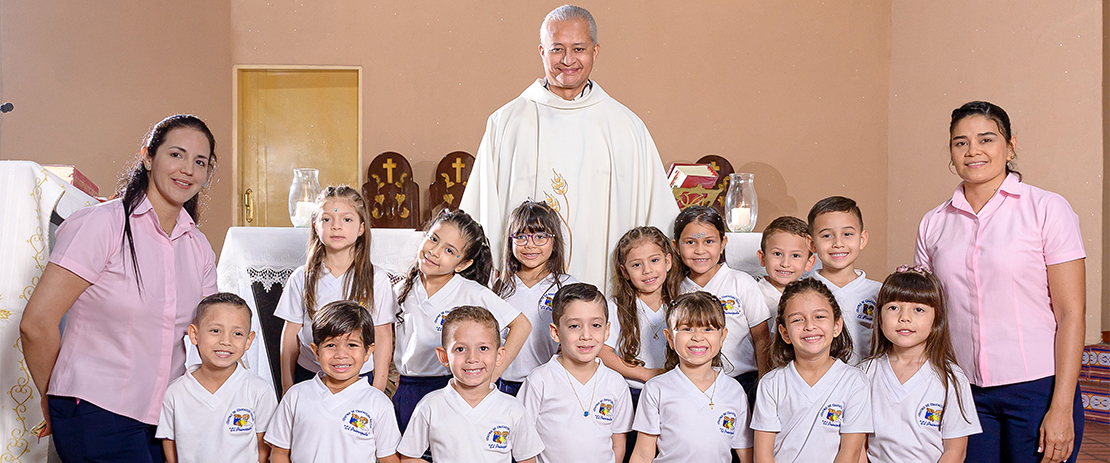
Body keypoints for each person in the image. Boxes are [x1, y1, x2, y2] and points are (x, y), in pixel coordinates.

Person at [20, 114, 218, 462]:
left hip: (165, 418)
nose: (187, 169)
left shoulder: (198, 246)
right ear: (147, 156)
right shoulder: (101, 225)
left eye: (199, 161)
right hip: (96, 409)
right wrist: (55, 395)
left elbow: (208, 334)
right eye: (176, 154)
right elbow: (36, 324)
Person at [459, 4, 679, 290]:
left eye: (578, 49)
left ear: (595, 51)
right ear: (542, 51)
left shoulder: (626, 126)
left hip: (606, 292)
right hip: (521, 295)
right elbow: (482, 214)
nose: (567, 60)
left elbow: (657, 221)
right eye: (557, 49)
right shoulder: (507, 123)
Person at [916, 101, 1086, 463]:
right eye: (960, 142)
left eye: (986, 139)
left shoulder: (1046, 209)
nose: (973, 150)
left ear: (1009, 146)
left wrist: (1061, 407)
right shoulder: (933, 223)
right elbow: (925, 313)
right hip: (964, 392)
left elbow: (1072, 313)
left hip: (1038, 389)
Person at [392, 210, 531, 432]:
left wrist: (493, 373)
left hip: (449, 387)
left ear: (463, 264)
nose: (435, 252)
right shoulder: (401, 290)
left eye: (449, 250)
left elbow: (522, 325)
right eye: (433, 239)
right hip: (407, 388)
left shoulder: (470, 292)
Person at [274, 185, 396, 393]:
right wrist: (287, 385)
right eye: (326, 219)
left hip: (359, 377)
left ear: (361, 228)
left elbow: (383, 335)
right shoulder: (301, 278)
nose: (336, 226)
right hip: (310, 376)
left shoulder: (377, 279)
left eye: (347, 219)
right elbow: (290, 335)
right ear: (315, 225)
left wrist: (378, 388)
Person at [859, 266, 981, 463]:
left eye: (918, 309)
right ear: (879, 318)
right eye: (893, 308)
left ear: (936, 320)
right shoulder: (864, 374)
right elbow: (858, 447)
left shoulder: (951, 378)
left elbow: (956, 452)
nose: (904, 318)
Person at [398, 306, 545, 463]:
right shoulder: (430, 406)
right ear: (444, 356)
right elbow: (409, 458)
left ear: (499, 355)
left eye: (483, 348)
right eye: (460, 349)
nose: (472, 358)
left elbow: (528, 460)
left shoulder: (513, 409)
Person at [750, 278, 871, 463]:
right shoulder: (771, 384)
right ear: (784, 333)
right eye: (798, 319)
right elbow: (763, 455)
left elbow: (850, 453)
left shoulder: (854, 382)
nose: (809, 326)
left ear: (836, 326)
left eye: (819, 316)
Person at [266, 300, 401, 463]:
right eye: (331, 345)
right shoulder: (296, 396)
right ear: (316, 351)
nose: (341, 355)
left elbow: (389, 458)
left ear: (368, 352)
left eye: (352, 345)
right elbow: (279, 452)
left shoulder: (379, 403)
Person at [629, 291, 754, 463]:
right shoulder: (656, 389)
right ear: (670, 338)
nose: (698, 337)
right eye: (687, 329)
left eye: (708, 329)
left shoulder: (734, 391)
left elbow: (746, 454)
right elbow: (643, 454)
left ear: (722, 336)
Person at [157, 293, 278, 463]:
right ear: (194, 334)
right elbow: (170, 445)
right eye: (215, 331)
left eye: (237, 333)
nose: (225, 341)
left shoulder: (259, 391)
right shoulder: (175, 393)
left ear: (248, 340)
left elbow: (263, 450)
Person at [519, 283, 633, 463]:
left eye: (596, 325)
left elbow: (618, 442)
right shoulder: (539, 381)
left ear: (607, 330)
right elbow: (522, 441)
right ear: (555, 332)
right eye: (574, 326)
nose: (586, 335)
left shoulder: (616, 383)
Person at [673, 205, 771, 408]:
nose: (700, 250)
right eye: (690, 242)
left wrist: (764, 383)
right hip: (691, 383)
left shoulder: (741, 282)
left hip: (742, 381)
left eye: (709, 241)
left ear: (723, 242)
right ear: (676, 246)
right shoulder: (675, 288)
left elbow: (761, 338)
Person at [492, 201, 578, 395]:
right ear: (510, 241)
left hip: (550, 386)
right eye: (521, 237)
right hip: (505, 383)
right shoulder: (499, 286)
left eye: (540, 236)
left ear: (554, 242)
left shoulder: (566, 285)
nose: (530, 245)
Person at [807, 196, 881, 364]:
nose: (838, 243)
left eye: (847, 234)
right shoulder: (801, 293)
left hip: (868, 383)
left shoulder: (879, 292)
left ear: (862, 240)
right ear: (811, 244)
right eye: (827, 235)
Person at [755, 216, 816, 335]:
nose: (785, 264)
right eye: (777, 254)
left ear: (809, 263)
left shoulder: (813, 294)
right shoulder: (752, 293)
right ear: (763, 258)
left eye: (795, 256)